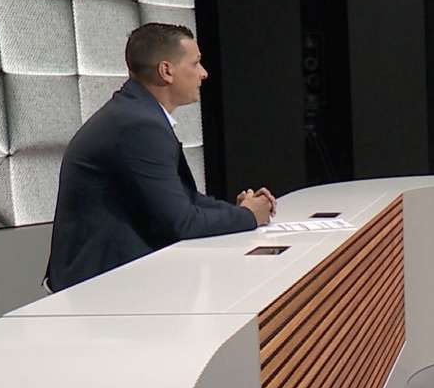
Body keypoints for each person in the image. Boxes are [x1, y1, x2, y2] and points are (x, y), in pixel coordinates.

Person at [45, 23, 275, 292]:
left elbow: (185, 199)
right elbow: (182, 223)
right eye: (195, 64)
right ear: (166, 71)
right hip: (98, 288)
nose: (204, 73)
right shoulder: (139, 125)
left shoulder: (135, 113)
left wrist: (240, 211)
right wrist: (249, 216)